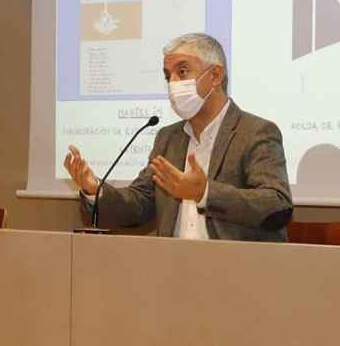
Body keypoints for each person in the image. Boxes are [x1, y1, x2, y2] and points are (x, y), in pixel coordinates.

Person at [63, 33, 292, 240]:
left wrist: (205, 193)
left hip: (236, 272)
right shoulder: (168, 138)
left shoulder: (255, 132)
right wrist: (95, 189)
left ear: (215, 75)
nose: (173, 83)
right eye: (168, 76)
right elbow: (140, 204)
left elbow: (276, 204)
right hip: (172, 269)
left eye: (182, 72)